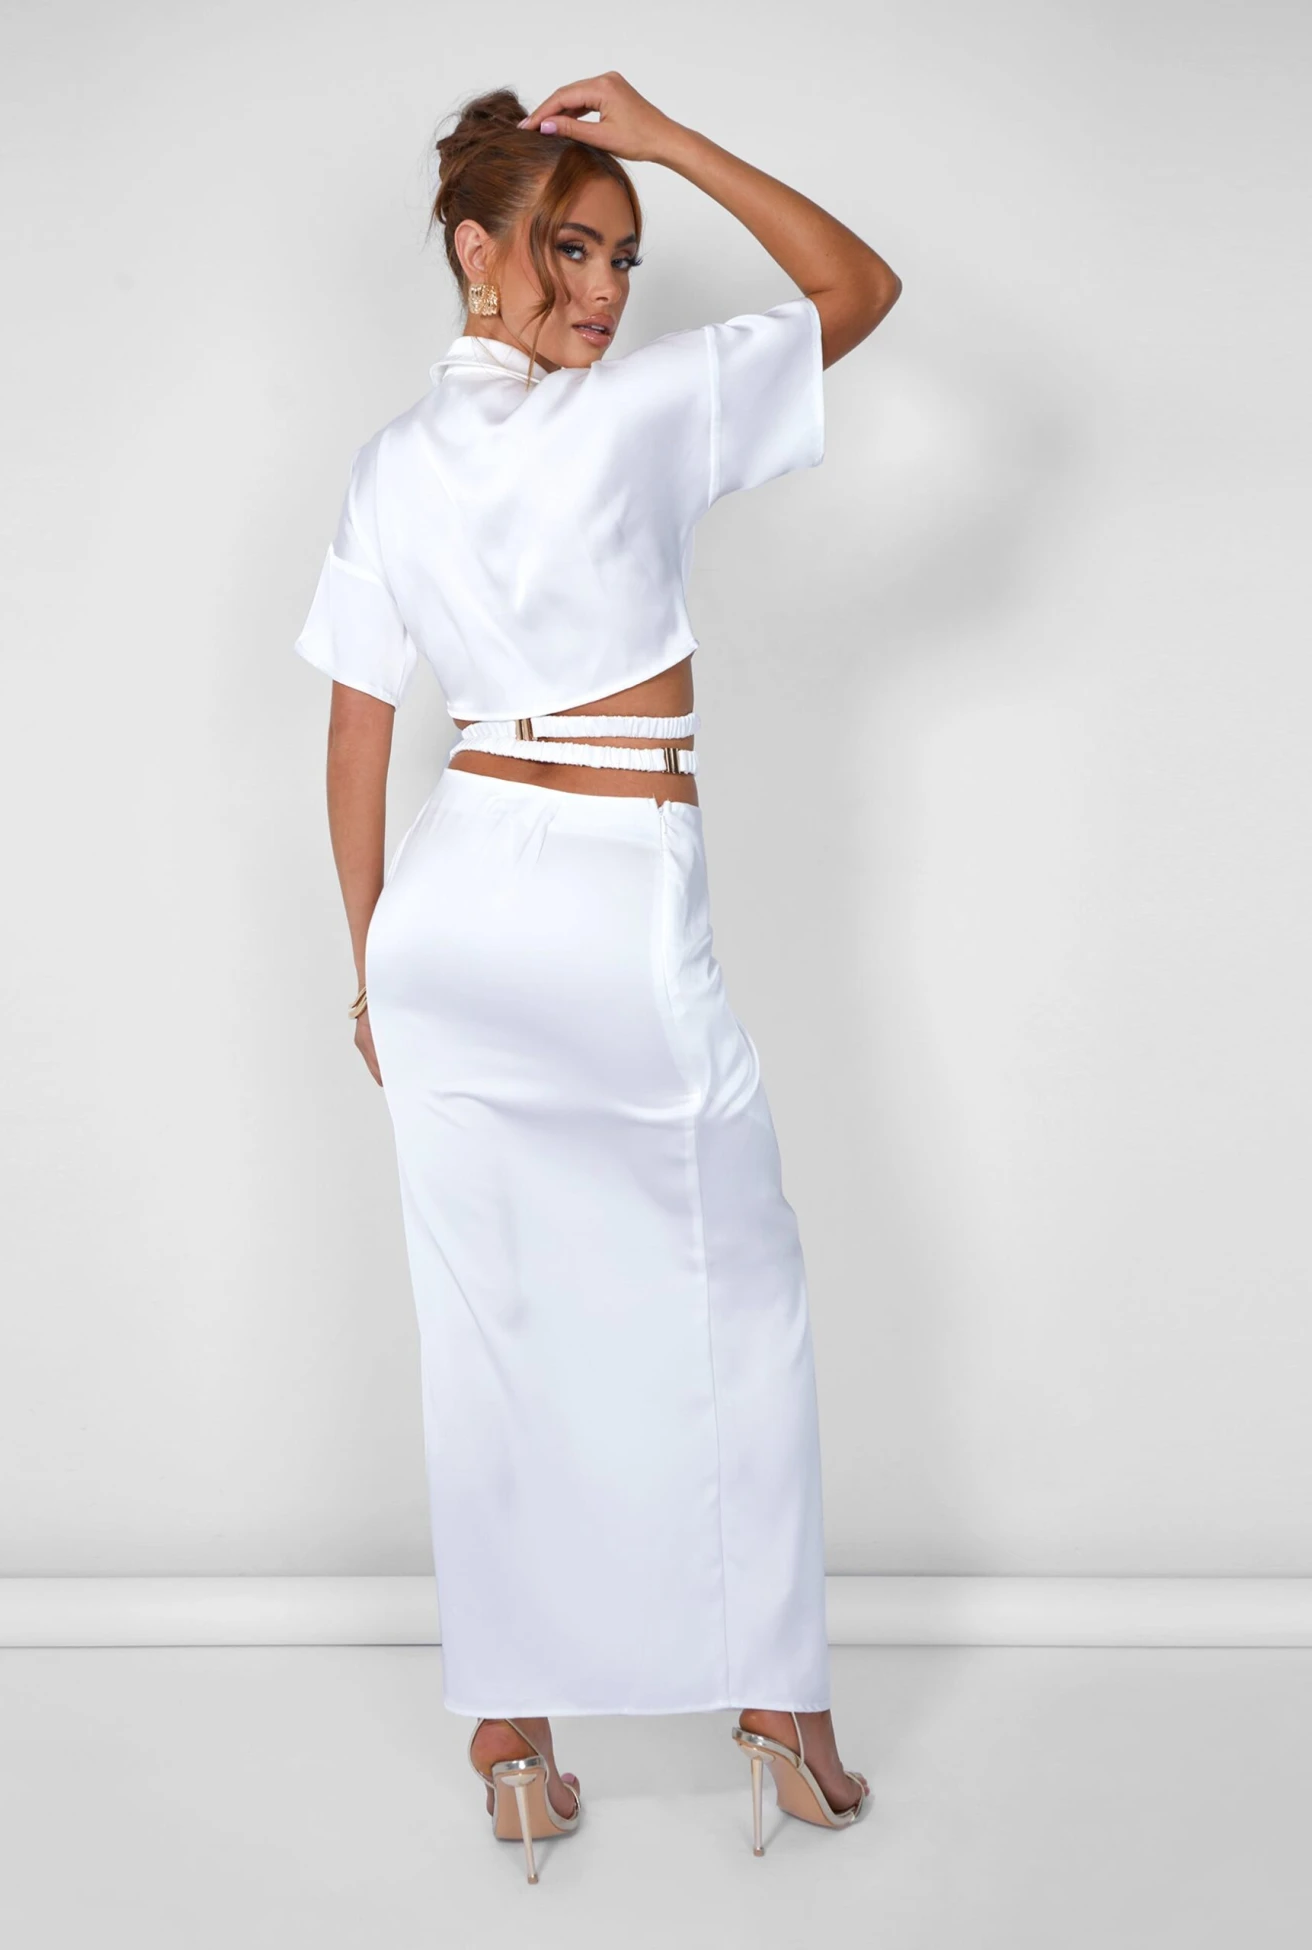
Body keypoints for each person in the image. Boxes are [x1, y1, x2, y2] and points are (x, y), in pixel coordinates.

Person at [296, 73, 900, 1881]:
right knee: (738, 1295)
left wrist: (370, 970)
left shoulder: (392, 464)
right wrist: (672, 134)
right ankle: (782, 1712)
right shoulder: (632, 415)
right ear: (475, 251)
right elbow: (859, 290)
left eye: (626, 256)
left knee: (497, 1326)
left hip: (449, 911)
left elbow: (354, 736)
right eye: (572, 248)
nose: (608, 292)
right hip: (612, 895)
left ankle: (512, 1738)